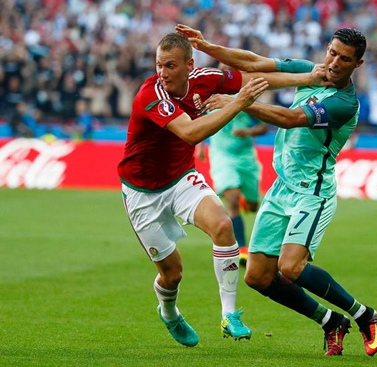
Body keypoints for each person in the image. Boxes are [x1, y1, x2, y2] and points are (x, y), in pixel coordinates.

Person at [177, 24, 377, 357]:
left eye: (344, 59)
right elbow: (254, 62)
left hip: (312, 191)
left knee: (291, 266)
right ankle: (330, 322)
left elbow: (289, 118)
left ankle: (364, 315)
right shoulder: (309, 71)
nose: (333, 63)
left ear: (356, 65)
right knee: (257, 276)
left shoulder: (345, 103)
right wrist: (207, 46)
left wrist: (239, 102)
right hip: (281, 187)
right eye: (332, 53)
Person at [117, 33, 329, 348]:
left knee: (222, 224)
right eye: (159, 65)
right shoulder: (151, 94)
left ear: (189, 66)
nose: (162, 72)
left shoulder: (207, 78)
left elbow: (256, 78)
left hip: (180, 179)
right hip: (142, 191)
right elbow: (189, 133)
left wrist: (307, 77)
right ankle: (169, 311)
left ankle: (229, 315)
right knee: (172, 274)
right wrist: (239, 103)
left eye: (170, 65)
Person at [198, 102, 268, 266]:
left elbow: (263, 127)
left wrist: (248, 131)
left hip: (246, 157)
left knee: (252, 206)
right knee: (232, 201)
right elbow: (200, 123)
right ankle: (242, 248)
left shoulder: (245, 96)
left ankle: (246, 201)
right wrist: (200, 146)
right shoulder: (211, 99)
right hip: (222, 155)